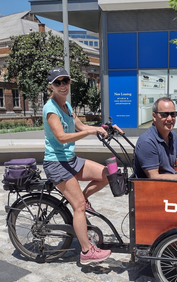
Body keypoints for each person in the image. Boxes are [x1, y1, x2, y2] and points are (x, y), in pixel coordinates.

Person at [42, 67, 122, 265]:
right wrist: (89, 133)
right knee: (78, 207)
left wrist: (103, 128)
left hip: (70, 160)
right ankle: (86, 251)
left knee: (107, 173)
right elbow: (61, 137)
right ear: (50, 86)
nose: (63, 86)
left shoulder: (67, 106)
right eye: (58, 82)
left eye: (65, 81)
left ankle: (83, 198)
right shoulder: (50, 109)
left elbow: (81, 126)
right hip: (56, 163)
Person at [133, 97, 177, 183]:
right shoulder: (147, 142)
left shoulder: (172, 135)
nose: (170, 118)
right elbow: (154, 177)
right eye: (164, 114)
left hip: (169, 183)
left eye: (173, 114)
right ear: (154, 116)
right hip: (153, 190)